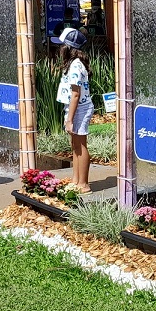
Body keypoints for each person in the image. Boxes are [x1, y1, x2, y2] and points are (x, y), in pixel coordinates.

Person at [55, 26, 93, 193]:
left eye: (62, 45)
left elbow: (76, 94)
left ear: (68, 47)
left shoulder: (76, 65)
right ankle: (76, 179)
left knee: (80, 144)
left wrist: (69, 119)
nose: (60, 47)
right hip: (74, 108)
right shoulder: (73, 64)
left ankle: (83, 183)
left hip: (80, 109)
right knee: (75, 144)